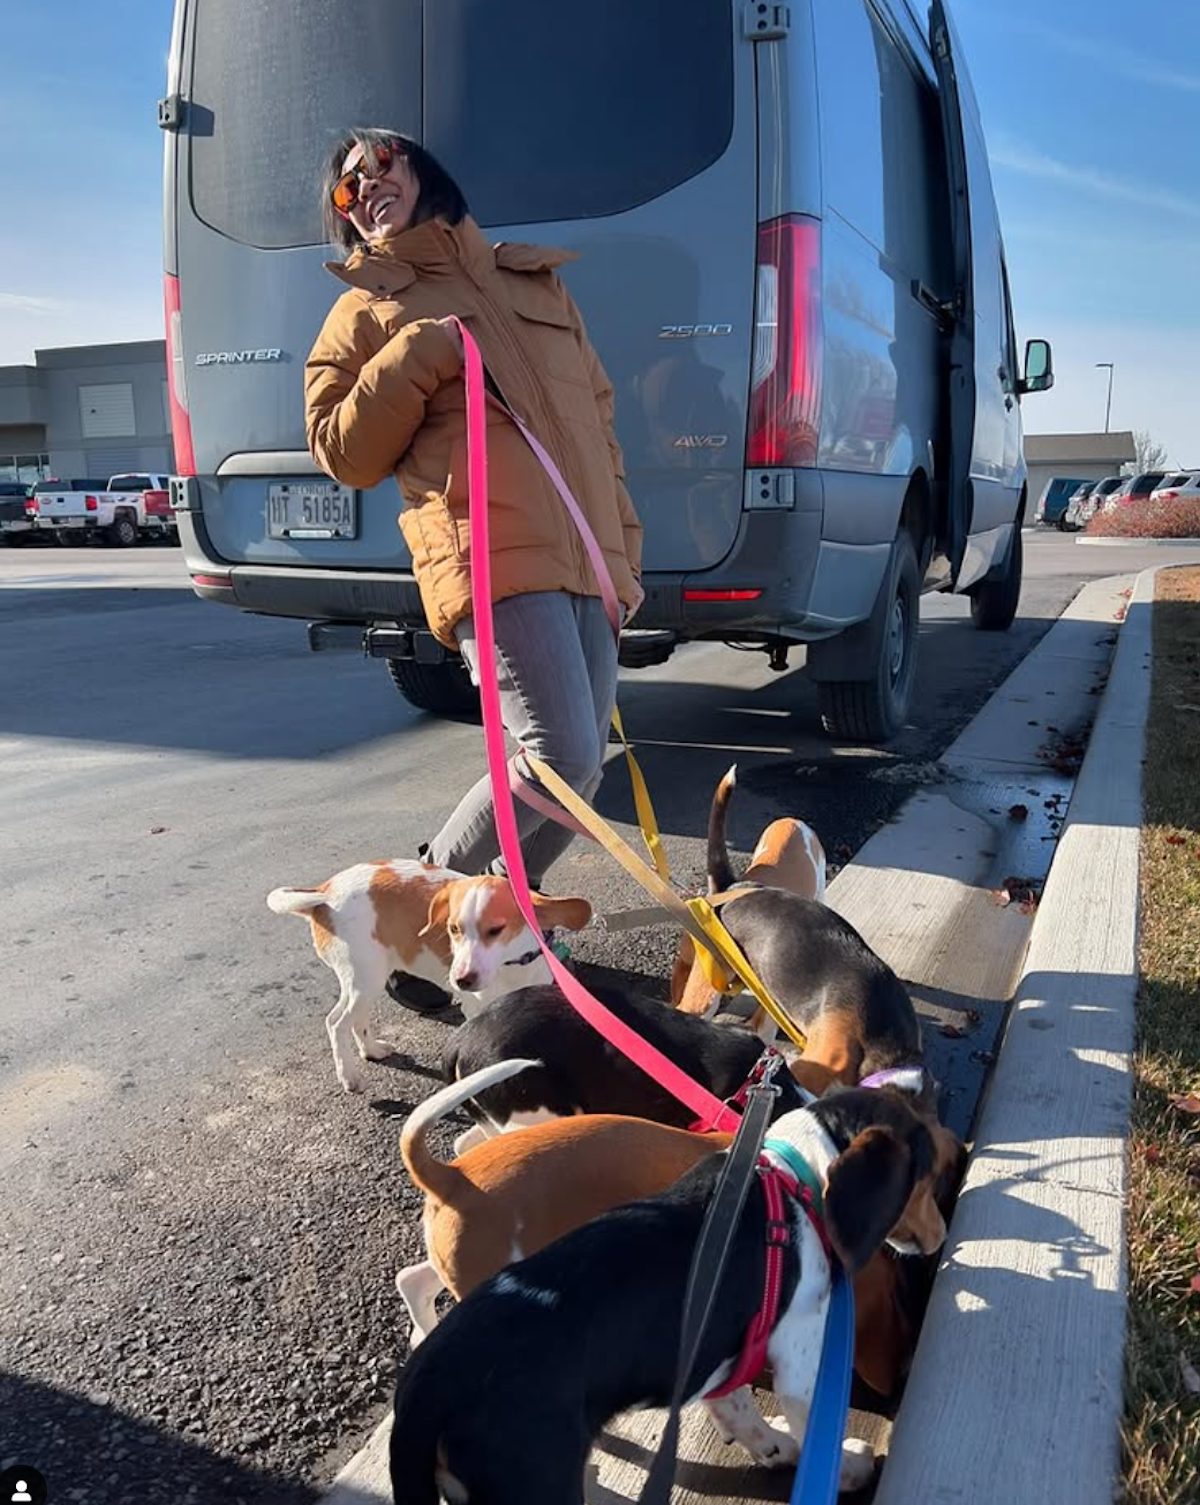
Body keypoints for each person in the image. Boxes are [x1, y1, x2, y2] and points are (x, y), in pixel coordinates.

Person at [306, 129, 643, 893]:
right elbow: (341, 451)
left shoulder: (534, 283)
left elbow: (597, 424)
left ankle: (493, 926)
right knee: (560, 754)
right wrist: (413, 355)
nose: (367, 186)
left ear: (423, 167)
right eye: (346, 189)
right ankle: (414, 910)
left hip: (585, 559)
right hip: (489, 551)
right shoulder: (365, 313)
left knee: (581, 782)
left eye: (381, 161)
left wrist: (623, 552)